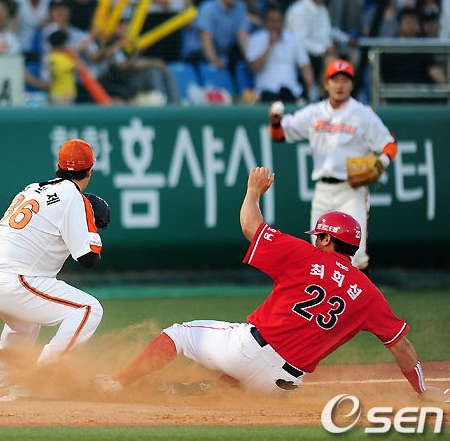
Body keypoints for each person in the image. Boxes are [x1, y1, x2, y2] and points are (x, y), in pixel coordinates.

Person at [95, 167, 447, 403]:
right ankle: (201, 391)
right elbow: (401, 346)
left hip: (248, 350)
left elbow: (251, 227)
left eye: (319, 235)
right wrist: (422, 390)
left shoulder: (305, 255)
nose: (316, 239)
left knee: (179, 335)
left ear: (327, 239)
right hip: (283, 384)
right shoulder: (368, 293)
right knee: (240, 380)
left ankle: (117, 383)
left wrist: (253, 192)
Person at [0, 139, 104, 393]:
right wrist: (91, 223)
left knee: (24, 324)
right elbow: (88, 259)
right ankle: (44, 374)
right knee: (88, 309)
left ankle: (2, 384)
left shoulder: (32, 188)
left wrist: (85, 210)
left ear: (58, 166)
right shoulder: (73, 198)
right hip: (12, 280)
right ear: (90, 171)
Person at [268, 59, 397, 273]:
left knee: (356, 254)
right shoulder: (314, 113)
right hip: (323, 190)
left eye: (345, 80)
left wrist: (381, 162)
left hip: (351, 190)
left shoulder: (363, 114)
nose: (340, 85)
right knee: (319, 253)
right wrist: (275, 121)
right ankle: (327, 296)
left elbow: (389, 144)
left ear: (351, 84)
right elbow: (280, 134)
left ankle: (360, 295)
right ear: (326, 84)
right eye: (335, 80)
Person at [246, 4, 316, 103]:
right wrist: (270, 45)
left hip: (292, 92)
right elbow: (254, 68)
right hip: (266, 93)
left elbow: (305, 65)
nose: (275, 25)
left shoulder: (293, 39)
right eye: (272, 21)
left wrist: (311, 88)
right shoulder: (255, 39)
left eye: (277, 21)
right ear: (266, 21)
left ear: (282, 22)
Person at [182, 0, 250, 69]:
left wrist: (250, 59)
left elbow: (243, 36)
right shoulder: (208, 8)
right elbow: (206, 39)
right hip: (198, 55)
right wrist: (214, 60)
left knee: (238, 61)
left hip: (221, 54)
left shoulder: (240, 7)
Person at [47, 29, 78, 105]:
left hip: (55, 92)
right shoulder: (62, 58)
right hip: (65, 94)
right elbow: (79, 68)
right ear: (63, 43)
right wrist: (73, 53)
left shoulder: (51, 57)